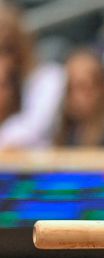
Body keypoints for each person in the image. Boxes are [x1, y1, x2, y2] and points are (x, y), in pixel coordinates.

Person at [0, 3, 65, 149]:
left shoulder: (49, 77)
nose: (4, 59)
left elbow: (31, 131)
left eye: (7, 48)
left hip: (41, 169)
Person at [53, 50, 104, 147]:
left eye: (82, 87)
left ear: (100, 89)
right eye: (69, 89)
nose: (73, 97)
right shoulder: (64, 129)